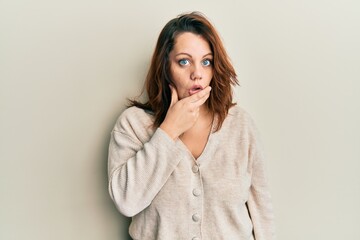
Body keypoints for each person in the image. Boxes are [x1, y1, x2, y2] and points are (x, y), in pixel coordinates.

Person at [108, 12, 275, 240]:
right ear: (165, 66)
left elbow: (262, 212)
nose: (197, 74)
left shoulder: (240, 125)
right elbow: (126, 201)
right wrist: (169, 130)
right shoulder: (133, 125)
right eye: (184, 61)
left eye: (206, 62)